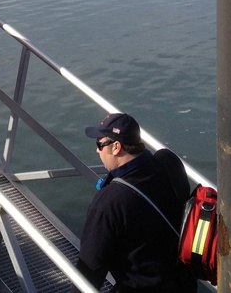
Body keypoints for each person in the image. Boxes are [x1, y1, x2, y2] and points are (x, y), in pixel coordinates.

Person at [75, 113, 196, 292]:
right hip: (183, 283)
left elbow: (89, 271)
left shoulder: (109, 202)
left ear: (116, 147)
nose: (97, 151)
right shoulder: (168, 164)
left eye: (100, 144)